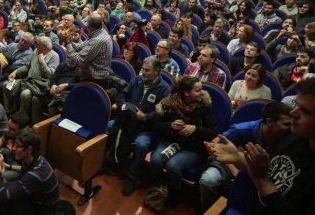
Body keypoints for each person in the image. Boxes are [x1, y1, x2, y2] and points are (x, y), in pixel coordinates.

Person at [206, 77, 315, 214]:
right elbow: (268, 169)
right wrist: (238, 157)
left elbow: (263, 178)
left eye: (305, 111)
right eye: (297, 105)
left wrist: (261, 179)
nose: (293, 113)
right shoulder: (297, 135)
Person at [198, 102, 292, 212]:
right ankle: (210, 210)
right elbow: (220, 152)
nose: (291, 128)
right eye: (286, 124)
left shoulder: (289, 137)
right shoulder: (240, 130)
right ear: (270, 122)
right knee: (207, 180)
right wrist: (235, 171)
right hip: (231, 165)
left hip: (264, 173)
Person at [149, 76, 217, 208]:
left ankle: (175, 192)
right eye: (197, 90)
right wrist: (170, 125)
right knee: (156, 160)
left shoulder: (204, 106)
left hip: (193, 146)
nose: (201, 93)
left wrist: (195, 128)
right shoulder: (168, 104)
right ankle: (160, 187)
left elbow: (212, 132)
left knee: (173, 165)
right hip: (171, 140)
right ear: (186, 93)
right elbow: (156, 126)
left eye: (201, 89)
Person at [112, 56, 171, 196]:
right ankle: (114, 162)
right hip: (129, 120)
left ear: (157, 71)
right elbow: (123, 95)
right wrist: (123, 105)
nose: (143, 72)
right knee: (110, 127)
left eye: (147, 70)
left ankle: (132, 178)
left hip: (148, 128)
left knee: (140, 144)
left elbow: (162, 114)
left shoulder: (164, 89)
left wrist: (145, 116)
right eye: (142, 69)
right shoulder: (137, 80)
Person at [3, 36, 59, 121]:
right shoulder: (36, 51)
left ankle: (23, 119)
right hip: (27, 80)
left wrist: (42, 62)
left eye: (38, 44)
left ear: (44, 46)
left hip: (39, 86)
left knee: (25, 94)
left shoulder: (54, 56)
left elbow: (50, 75)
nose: (35, 45)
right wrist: (16, 71)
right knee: (7, 85)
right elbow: (27, 66)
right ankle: (9, 112)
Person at [59, 12, 112, 84]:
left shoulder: (97, 40)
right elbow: (81, 47)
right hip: (89, 77)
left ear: (88, 26)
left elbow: (77, 61)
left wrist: (68, 43)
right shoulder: (100, 32)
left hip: (94, 81)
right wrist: (70, 41)